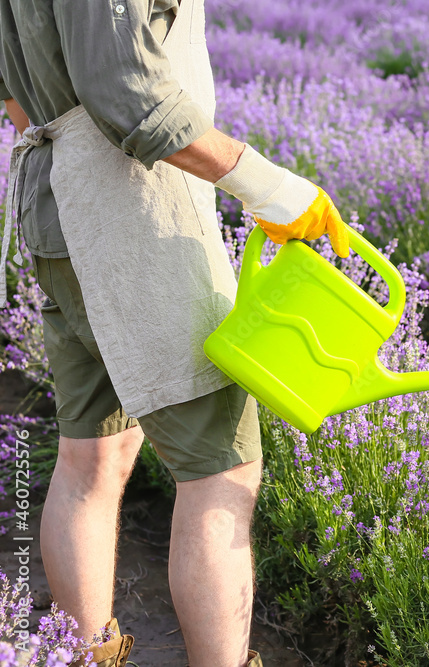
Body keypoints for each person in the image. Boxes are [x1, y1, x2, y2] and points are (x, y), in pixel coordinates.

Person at [0, 1, 349, 666]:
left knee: (92, 453)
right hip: (132, 215)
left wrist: (62, 145)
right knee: (221, 465)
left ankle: (78, 655)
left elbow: (16, 90)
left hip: (53, 209)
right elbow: (126, 91)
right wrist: (268, 185)